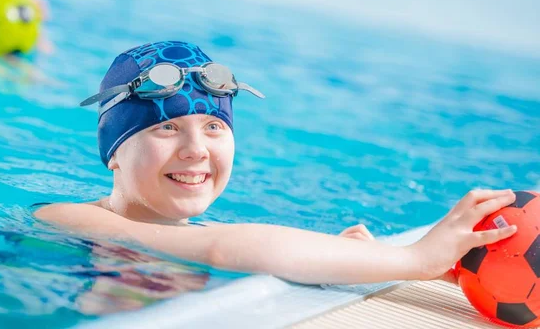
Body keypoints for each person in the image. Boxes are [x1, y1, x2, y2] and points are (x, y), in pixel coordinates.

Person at [36, 40, 517, 286]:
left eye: (214, 127)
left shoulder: (192, 234)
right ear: (114, 152)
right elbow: (225, 251)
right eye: (167, 127)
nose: (196, 149)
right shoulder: (67, 220)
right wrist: (413, 259)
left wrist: (338, 255)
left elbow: (228, 245)